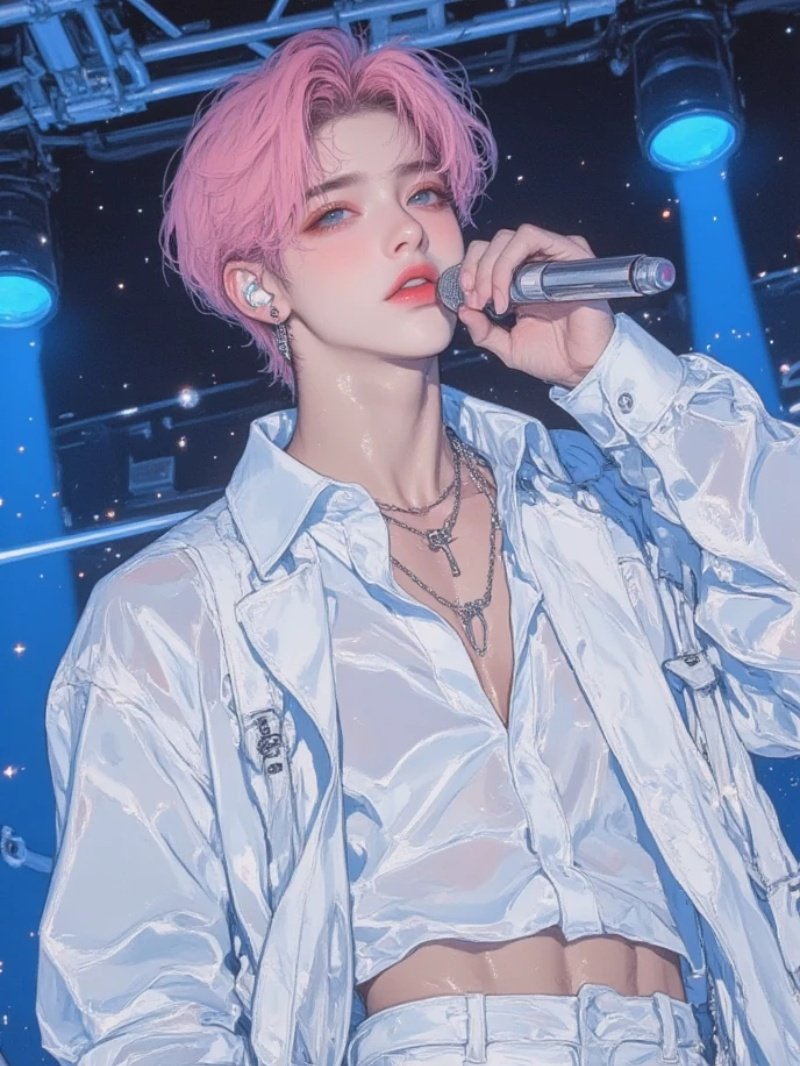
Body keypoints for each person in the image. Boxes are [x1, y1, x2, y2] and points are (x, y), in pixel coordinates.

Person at [35, 26, 800, 1066]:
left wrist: (615, 372)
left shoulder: (596, 510)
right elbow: (137, 1007)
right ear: (260, 287)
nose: (405, 232)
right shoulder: (175, 612)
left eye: (424, 195)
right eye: (336, 211)